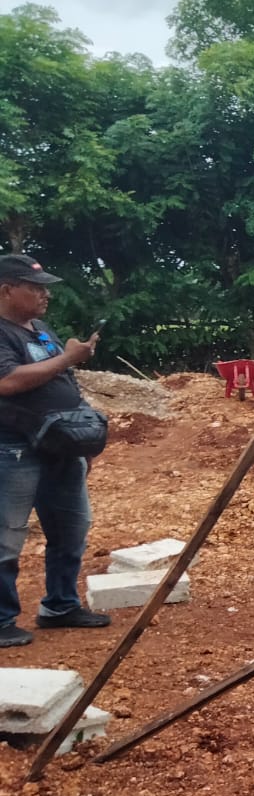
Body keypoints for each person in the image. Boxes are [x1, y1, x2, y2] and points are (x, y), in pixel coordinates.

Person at [0, 254, 111, 648]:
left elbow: (63, 380)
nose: (45, 295)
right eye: (36, 288)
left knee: (71, 527)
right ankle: (1, 619)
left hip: (58, 447)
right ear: (6, 290)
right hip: (12, 448)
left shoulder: (41, 330)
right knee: (7, 534)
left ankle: (60, 605)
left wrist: (83, 442)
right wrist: (68, 356)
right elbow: (7, 382)